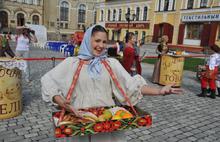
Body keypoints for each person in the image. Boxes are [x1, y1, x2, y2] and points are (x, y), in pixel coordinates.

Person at [41, 25, 182, 142]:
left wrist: (159, 90)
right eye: (97, 41)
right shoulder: (72, 63)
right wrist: (63, 102)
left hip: (107, 123)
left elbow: (131, 85)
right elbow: (48, 82)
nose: (101, 46)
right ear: (87, 40)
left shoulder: (110, 63)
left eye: (104, 42)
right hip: (80, 121)